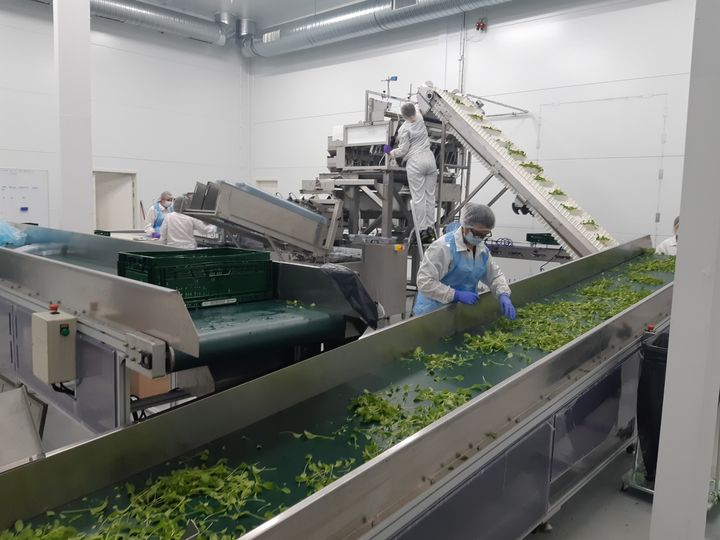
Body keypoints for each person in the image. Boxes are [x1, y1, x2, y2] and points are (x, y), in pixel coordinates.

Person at [414, 203, 516, 319]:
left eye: (484, 235)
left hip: (460, 312)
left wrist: (503, 294)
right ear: (465, 226)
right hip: (432, 313)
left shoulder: (482, 250)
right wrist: (455, 295)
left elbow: (494, 276)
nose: (480, 238)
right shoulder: (443, 247)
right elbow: (424, 281)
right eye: (477, 234)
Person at [384, 102, 438, 244]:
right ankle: (431, 228)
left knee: (419, 198)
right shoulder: (420, 117)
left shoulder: (404, 129)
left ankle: (422, 231)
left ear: (403, 116)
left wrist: (390, 152)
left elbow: (403, 150)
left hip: (416, 162)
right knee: (430, 197)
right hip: (430, 160)